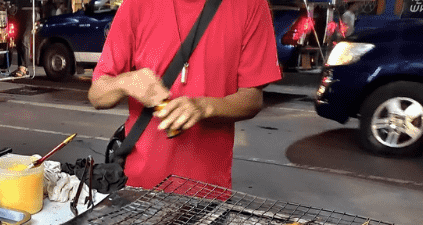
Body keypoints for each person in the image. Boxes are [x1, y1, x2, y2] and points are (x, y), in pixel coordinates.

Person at [87, 0, 281, 190]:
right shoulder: (136, 4)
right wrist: (126, 82)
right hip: (136, 186)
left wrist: (204, 107)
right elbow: (97, 95)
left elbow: (252, 99)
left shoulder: (252, 5)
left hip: (208, 191)